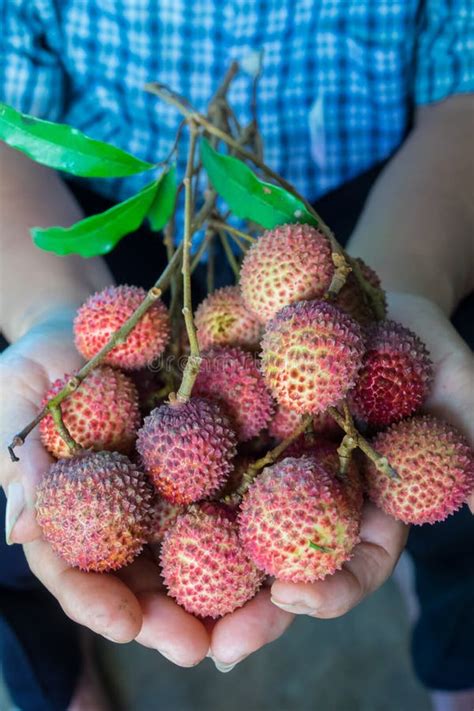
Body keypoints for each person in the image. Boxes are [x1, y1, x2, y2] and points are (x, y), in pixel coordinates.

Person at [0, 1, 473, 710]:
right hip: (90, 220)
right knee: (9, 526)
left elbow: (461, 102)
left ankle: (459, 655)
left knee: (459, 529)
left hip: (379, 214)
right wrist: (47, 312)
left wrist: (414, 282)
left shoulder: (312, 361)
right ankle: (53, 682)